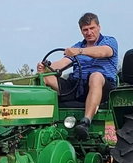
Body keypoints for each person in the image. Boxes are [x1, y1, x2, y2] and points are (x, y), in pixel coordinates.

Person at [37, 12, 118, 140]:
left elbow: (103, 52)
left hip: (102, 87)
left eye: (92, 28)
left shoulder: (109, 41)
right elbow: (63, 63)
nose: (89, 32)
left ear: (99, 27)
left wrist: (80, 52)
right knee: (46, 78)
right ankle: (40, 123)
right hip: (78, 85)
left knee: (95, 76)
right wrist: (46, 67)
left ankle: (86, 122)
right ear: (81, 31)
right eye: (85, 30)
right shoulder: (77, 46)